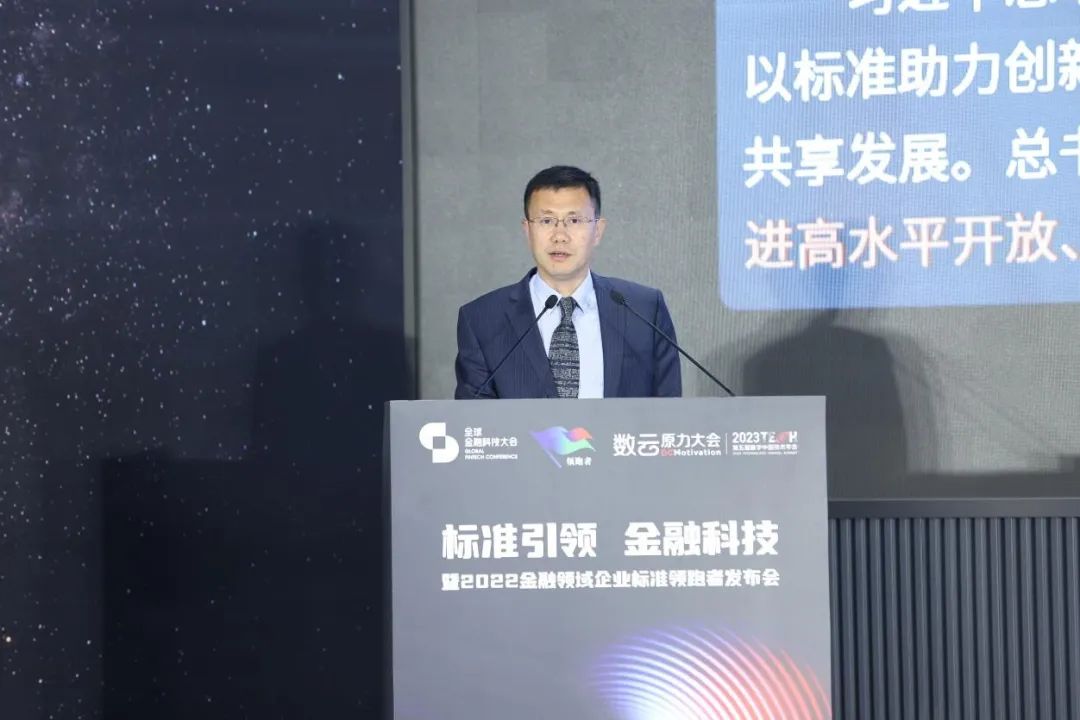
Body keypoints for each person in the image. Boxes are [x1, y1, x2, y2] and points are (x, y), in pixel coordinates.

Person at [454, 165, 681, 399]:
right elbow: (474, 417)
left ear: (598, 230)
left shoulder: (644, 310)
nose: (559, 236)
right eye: (546, 221)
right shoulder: (482, 320)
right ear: (527, 230)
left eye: (574, 220)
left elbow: (669, 411)